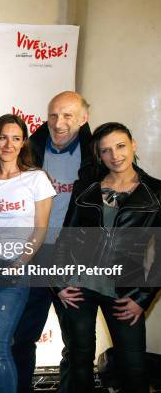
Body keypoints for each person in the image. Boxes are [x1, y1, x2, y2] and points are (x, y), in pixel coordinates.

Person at [54, 122, 160, 392]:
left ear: (133, 145)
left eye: (121, 146)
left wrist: (142, 297)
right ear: (98, 155)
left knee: (134, 371)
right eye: (106, 151)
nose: (115, 155)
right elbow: (66, 236)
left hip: (125, 293)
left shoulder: (156, 192)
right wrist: (59, 283)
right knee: (79, 365)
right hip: (80, 289)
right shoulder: (86, 188)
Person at [12, 90, 92, 392]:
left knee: (78, 340)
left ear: (83, 119)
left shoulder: (96, 154)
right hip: (34, 255)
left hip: (73, 258)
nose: (59, 123)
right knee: (21, 336)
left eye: (68, 115)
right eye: (54, 115)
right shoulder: (28, 150)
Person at [0, 114, 55, 393]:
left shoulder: (36, 178)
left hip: (15, 269)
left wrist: (20, 263)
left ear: (23, 143)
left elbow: (40, 230)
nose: (9, 144)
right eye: (3, 137)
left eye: (16, 138)